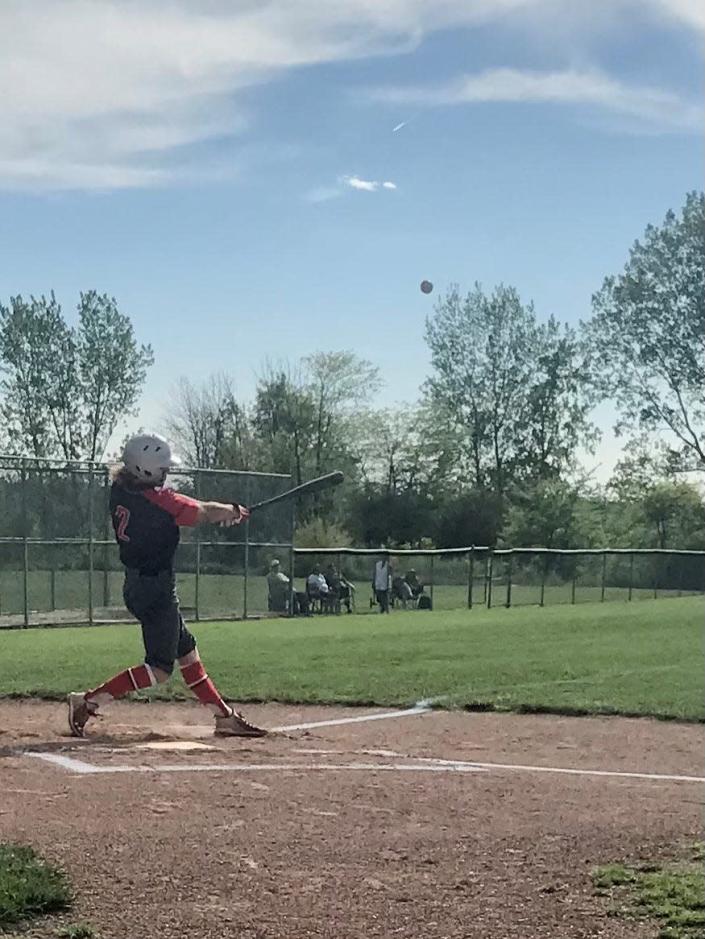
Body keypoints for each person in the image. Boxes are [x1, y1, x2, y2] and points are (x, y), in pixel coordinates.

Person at [67, 433, 266, 739]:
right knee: (159, 669)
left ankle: (223, 716)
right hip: (154, 590)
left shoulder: (120, 489)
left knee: (186, 651)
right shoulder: (157, 501)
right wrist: (227, 511)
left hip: (140, 585)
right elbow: (198, 511)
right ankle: (88, 701)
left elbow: (189, 506)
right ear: (145, 469)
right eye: (161, 468)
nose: (166, 473)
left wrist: (227, 511)